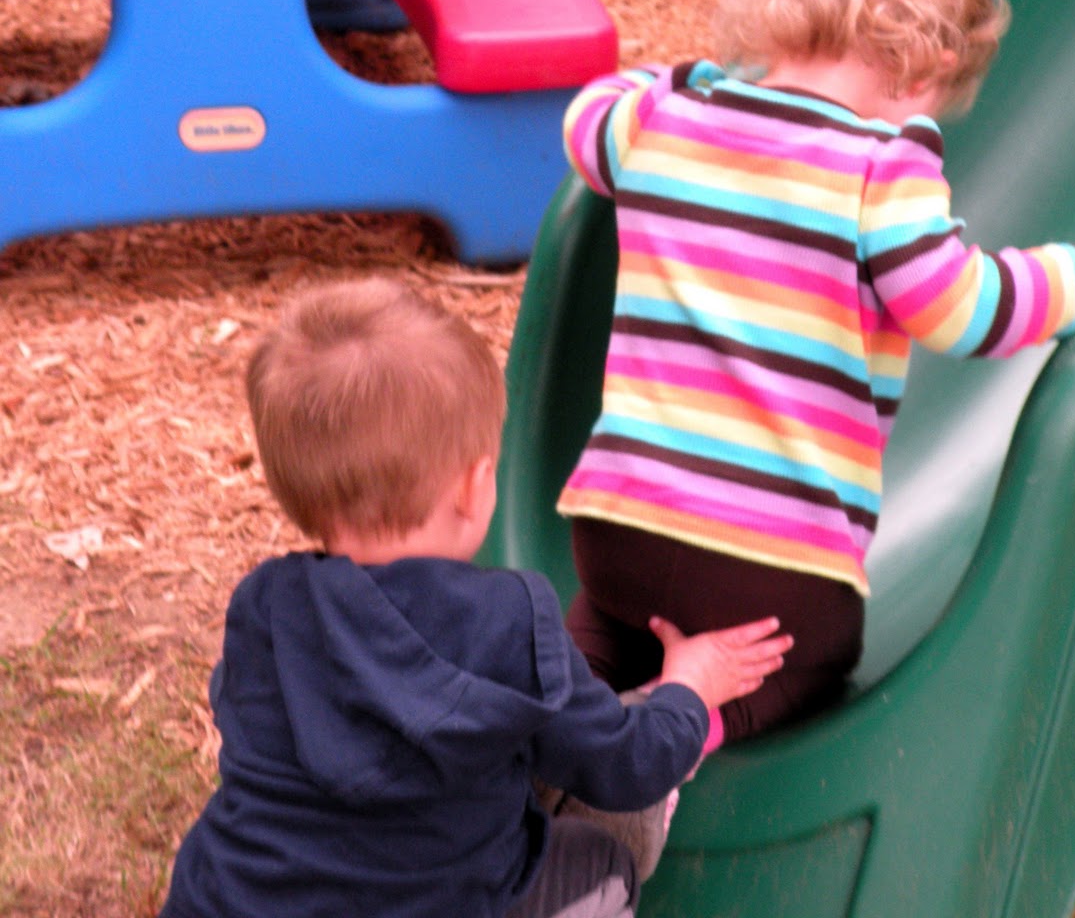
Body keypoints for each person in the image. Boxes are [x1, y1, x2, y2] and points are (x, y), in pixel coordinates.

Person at [555, 0, 1075, 747]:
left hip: (619, 532)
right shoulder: (879, 166)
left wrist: (689, 80)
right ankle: (681, 726)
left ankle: (569, 709)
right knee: (817, 657)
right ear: (926, 68)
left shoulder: (664, 116)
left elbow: (585, 117)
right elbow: (963, 310)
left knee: (605, 627)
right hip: (767, 566)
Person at [159, 278, 791, 918]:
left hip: (223, 903)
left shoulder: (264, 608)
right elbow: (629, 767)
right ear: (474, 486)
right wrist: (687, 690)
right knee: (602, 862)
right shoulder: (508, 620)